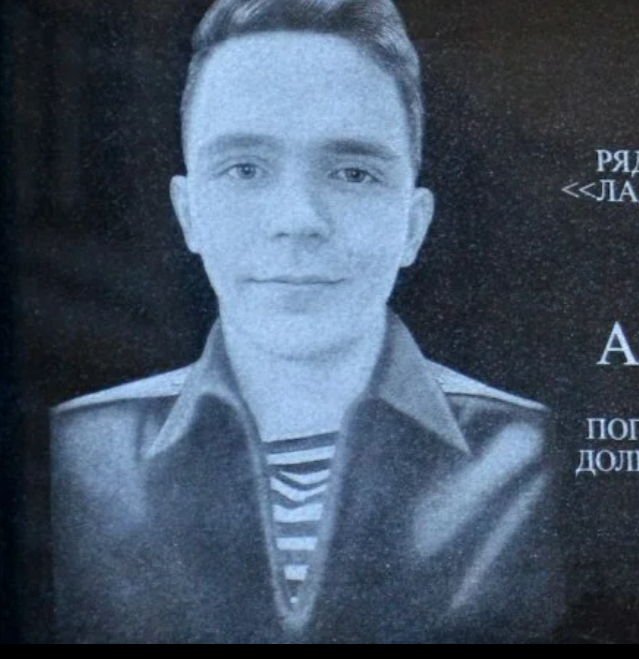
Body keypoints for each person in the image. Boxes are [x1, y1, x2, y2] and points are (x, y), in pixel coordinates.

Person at [50, 0, 559, 643]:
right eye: (244, 168)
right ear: (189, 214)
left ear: (414, 224)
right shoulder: (82, 452)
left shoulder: (529, 459)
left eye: (352, 172)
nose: (299, 219)